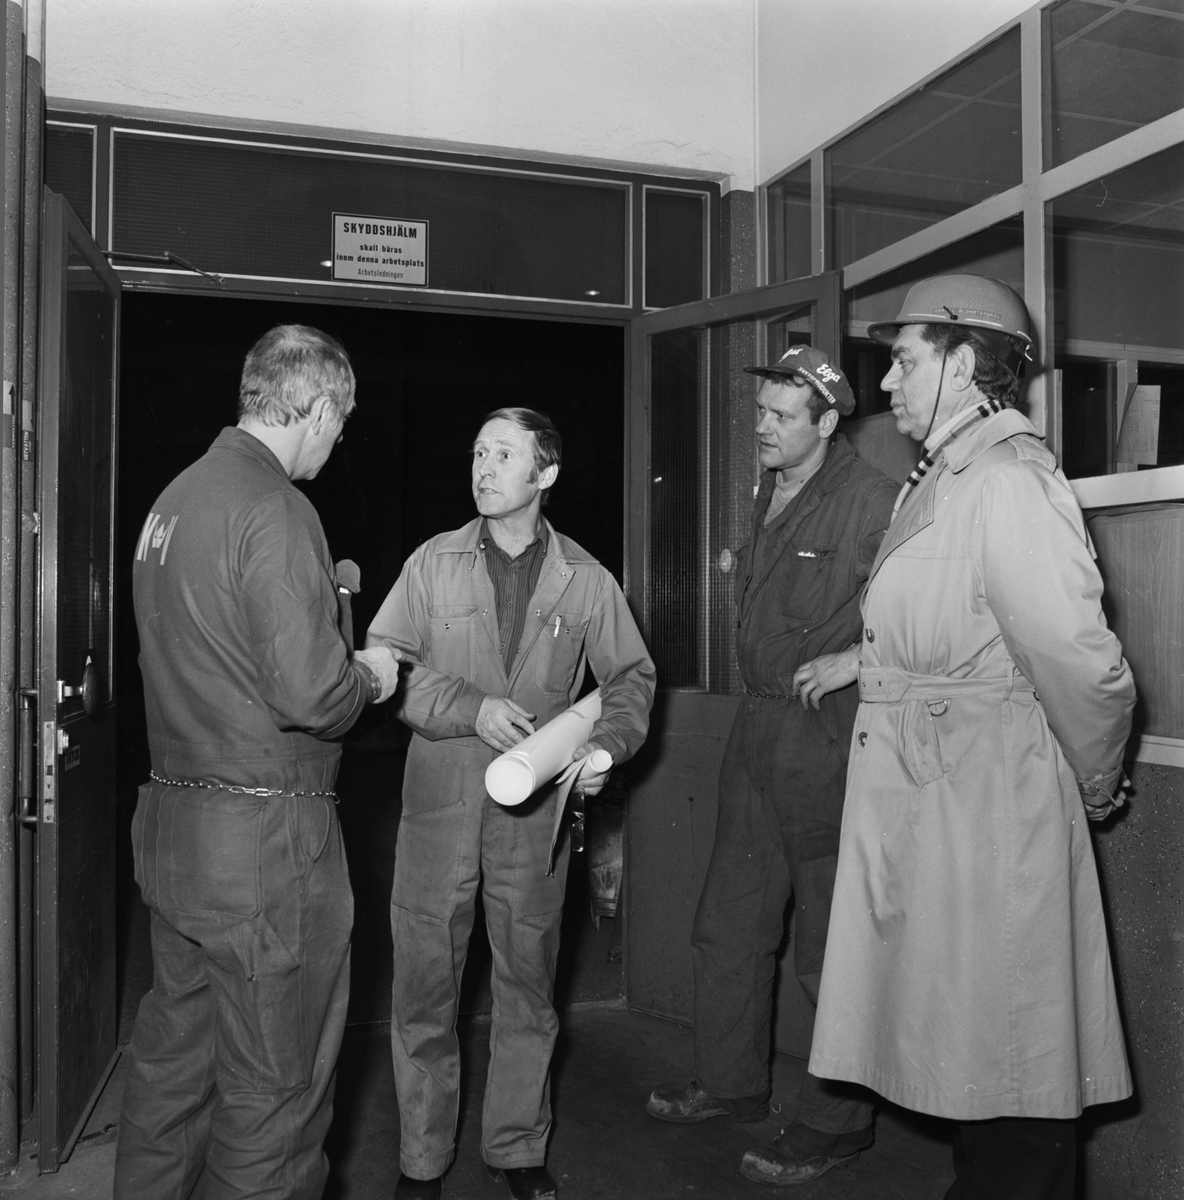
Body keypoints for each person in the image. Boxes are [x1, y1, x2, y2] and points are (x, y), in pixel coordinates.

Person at [807, 275, 1136, 1199]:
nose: (886, 382)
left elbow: (1081, 664)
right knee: (982, 1064)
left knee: (1012, 1067)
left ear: (962, 364)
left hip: (987, 804)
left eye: (904, 360)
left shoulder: (1009, 480)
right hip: (944, 800)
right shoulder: (951, 476)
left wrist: (1098, 780)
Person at [115, 325, 402, 1200]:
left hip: (174, 825)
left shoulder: (174, 500)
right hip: (265, 845)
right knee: (274, 1095)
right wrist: (371, 674)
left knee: (173, 1072)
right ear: (315, 409)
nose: (337, 441)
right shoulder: (275, 509)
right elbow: (313, 696)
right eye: (339, 423)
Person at [366, 407, 655, 1200]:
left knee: (528, 988)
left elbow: (630, 680)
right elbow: (385, 666)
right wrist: (470, 708)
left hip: (535, 822)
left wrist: (602, 751)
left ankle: (517, 1148)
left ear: (544, 473)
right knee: (425, 989)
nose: (483, 468)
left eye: (502, 455)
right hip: (440, 809)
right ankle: (422, 1160)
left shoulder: (587, 580)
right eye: (477, 454)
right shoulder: (432, 563)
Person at [646, 346, 897, 1186]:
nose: (761, 426)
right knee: (730, 922)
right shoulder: (769, 489)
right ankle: (730, 1083)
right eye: (760, 410)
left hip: (823, 737)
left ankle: (835, 1124)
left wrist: (858, 661)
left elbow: (931, 612)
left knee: (830, 942)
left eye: (782, 416)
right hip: (757, 728)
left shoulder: (872, 501)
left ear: (827, 424)